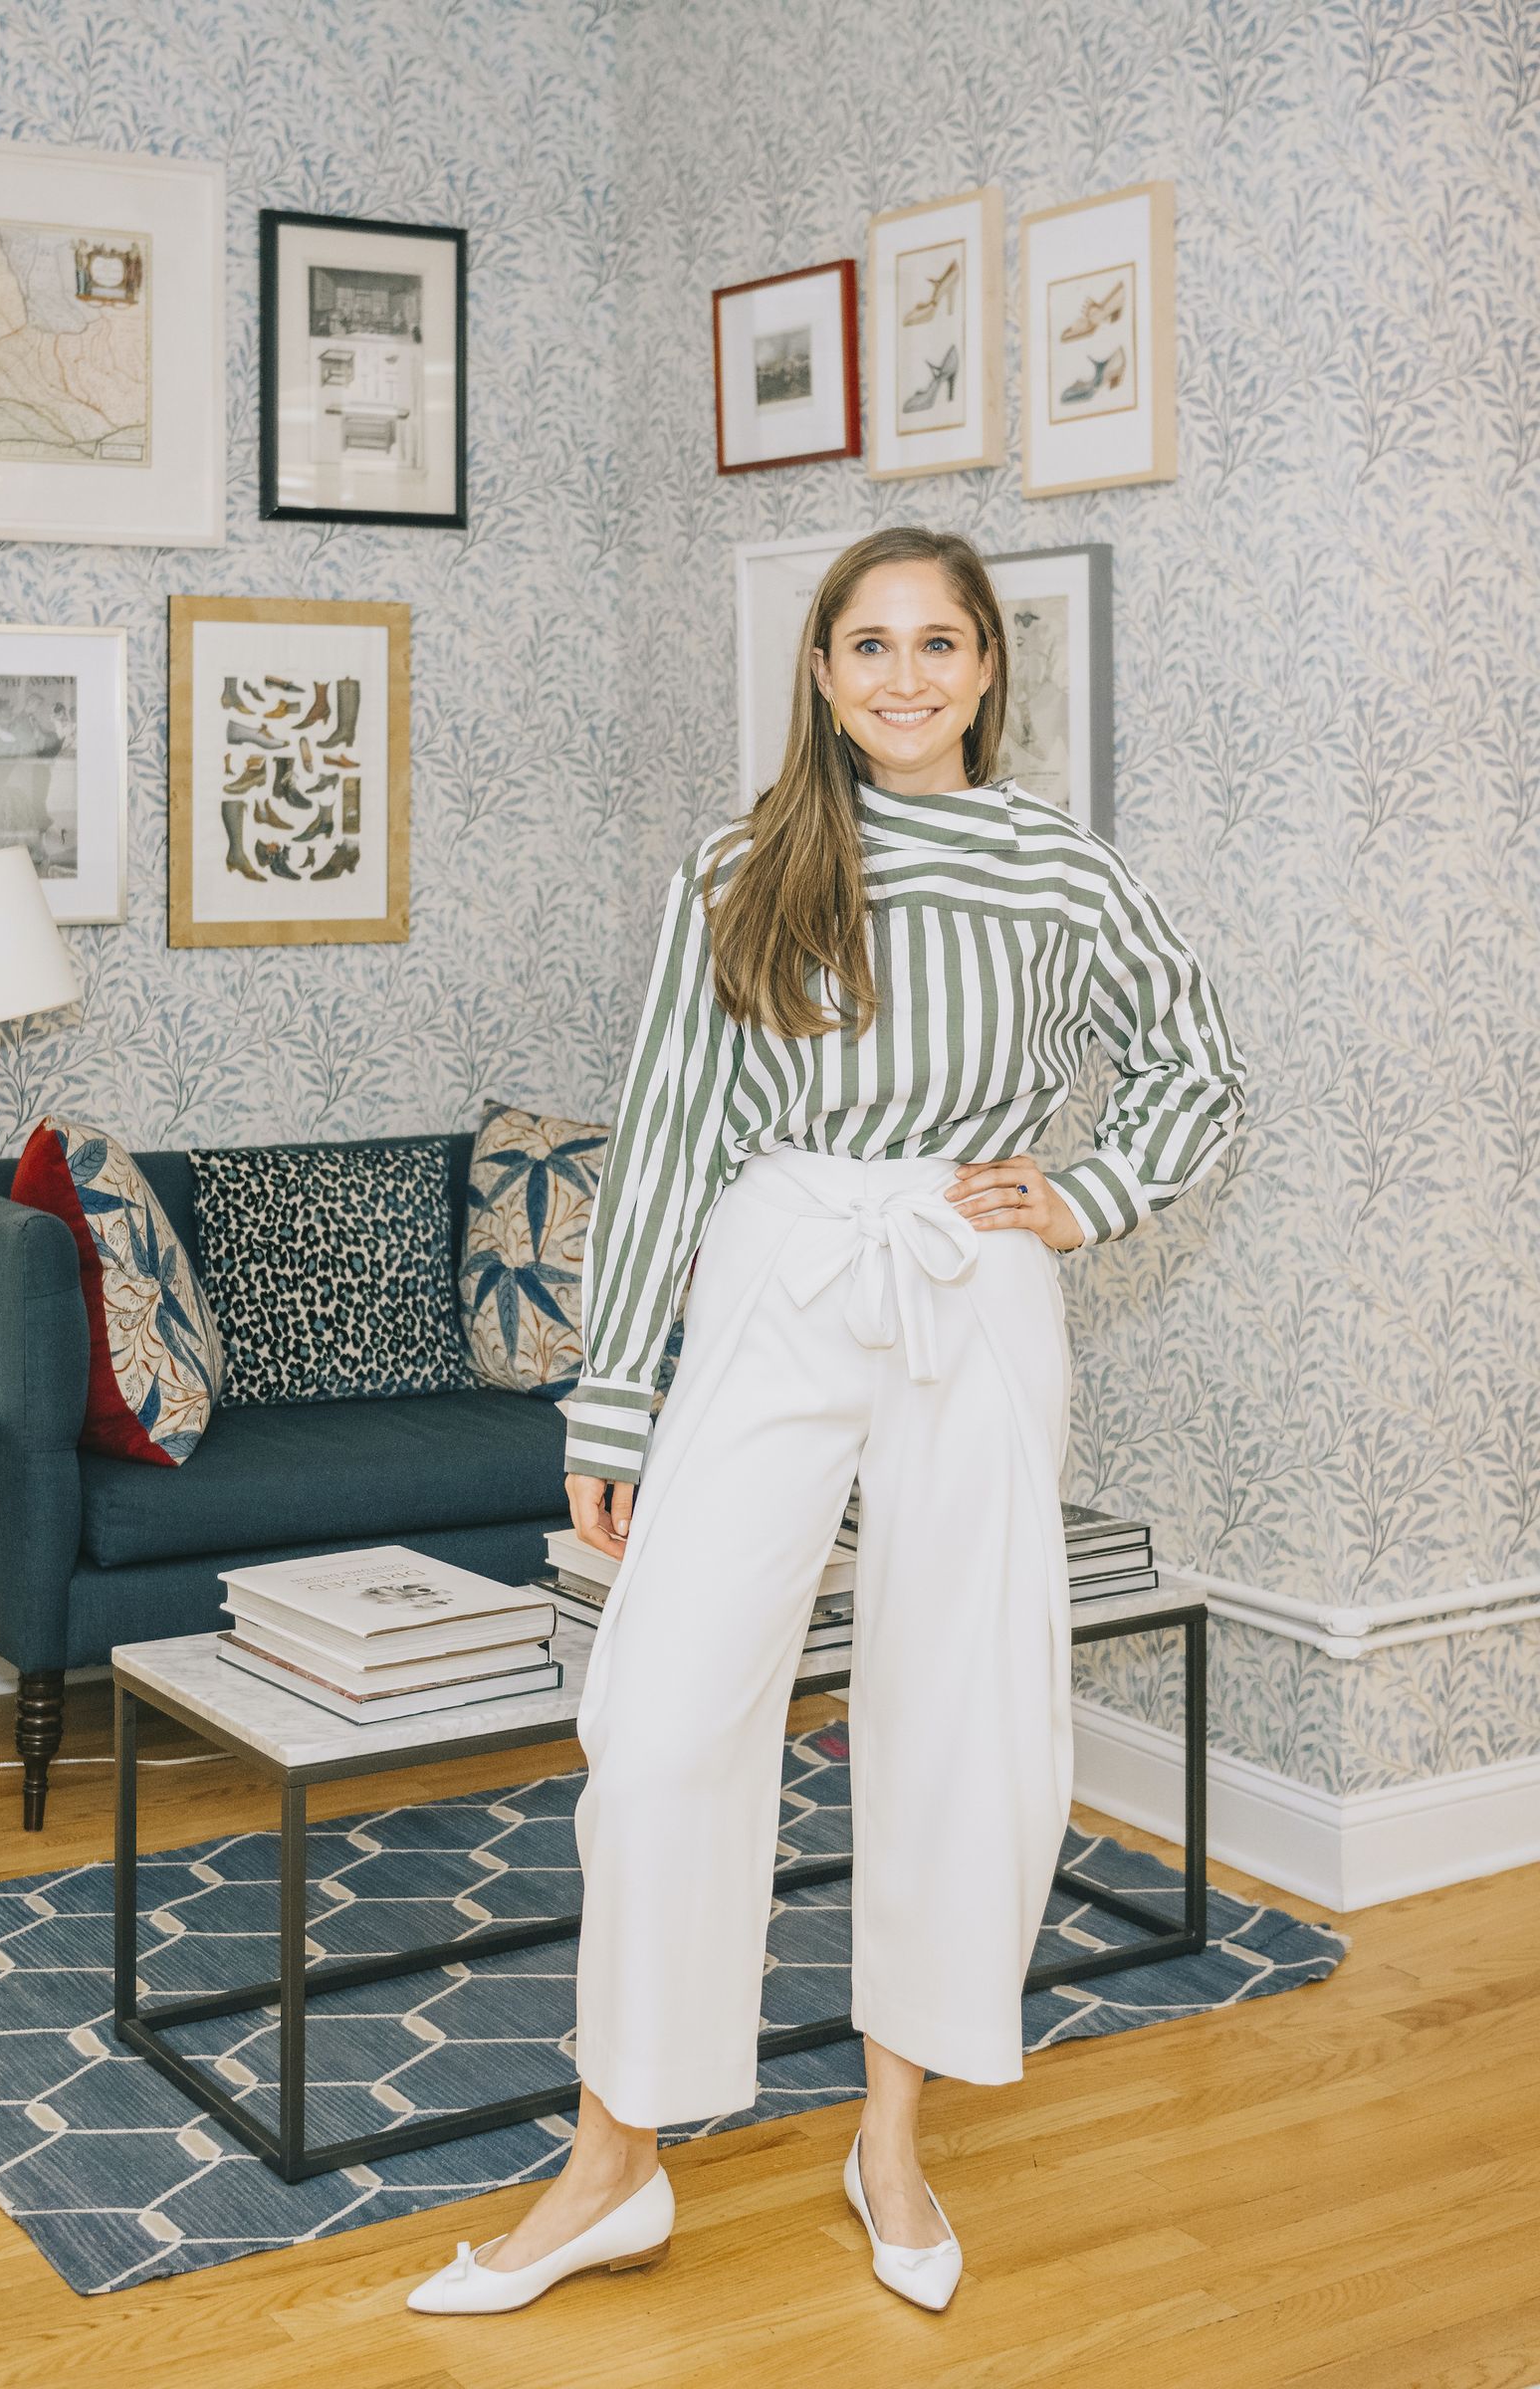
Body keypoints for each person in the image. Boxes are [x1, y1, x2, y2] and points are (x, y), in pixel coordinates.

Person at [407, 525, 1246, 2315]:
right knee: (658, 1715)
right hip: (782, 1270)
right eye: (869, 646)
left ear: (987, 671)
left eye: (939, 645)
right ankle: (614, 2162)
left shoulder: (1059, 866)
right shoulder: (743, 863)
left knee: (961, 1717)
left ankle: (893, 2141)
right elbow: (666, 1132)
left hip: (972, 1278)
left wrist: (1084, 1196)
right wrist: (614, 1395)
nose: (905, 678)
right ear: (818, 670)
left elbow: (1199, 1061)